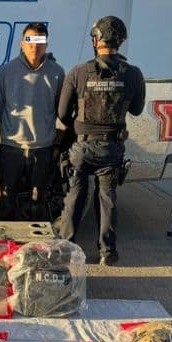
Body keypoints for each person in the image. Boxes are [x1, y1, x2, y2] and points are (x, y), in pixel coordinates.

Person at [55, 16, 146, 266]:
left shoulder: (78, 73)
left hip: (82, 147)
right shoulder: (133, 74)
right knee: (107, 199)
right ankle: (108, 252)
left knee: (75, 196)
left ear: (96, 40)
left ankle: (66, 250)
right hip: (111, 148)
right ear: (120, 41)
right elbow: (137, 110)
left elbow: (62, 114)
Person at [0, 22, 65, 221]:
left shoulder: (57, 72)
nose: (35, 45)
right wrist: (9, 134)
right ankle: (7, 238)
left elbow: (59, 109)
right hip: (11, 147)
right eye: (30, 40)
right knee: (6, 200)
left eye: (39, 41)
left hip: (42, 148)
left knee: (38, 201)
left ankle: (34, 238)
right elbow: (0, 107)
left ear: (46, 45)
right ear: (22, 43)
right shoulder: (7, 71)